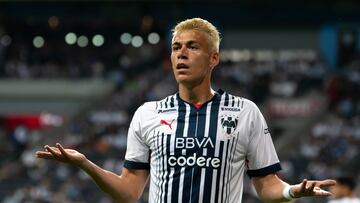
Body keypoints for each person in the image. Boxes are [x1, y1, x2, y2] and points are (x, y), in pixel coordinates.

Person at [36, 18, 336, 203]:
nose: (181, 53)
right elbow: (129, 192)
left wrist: (292, 192)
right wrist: (86, 164)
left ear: (213, 58)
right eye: (176, 46)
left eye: (192, 46)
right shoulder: (147, 113)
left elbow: (267, 185)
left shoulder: (245, 112)